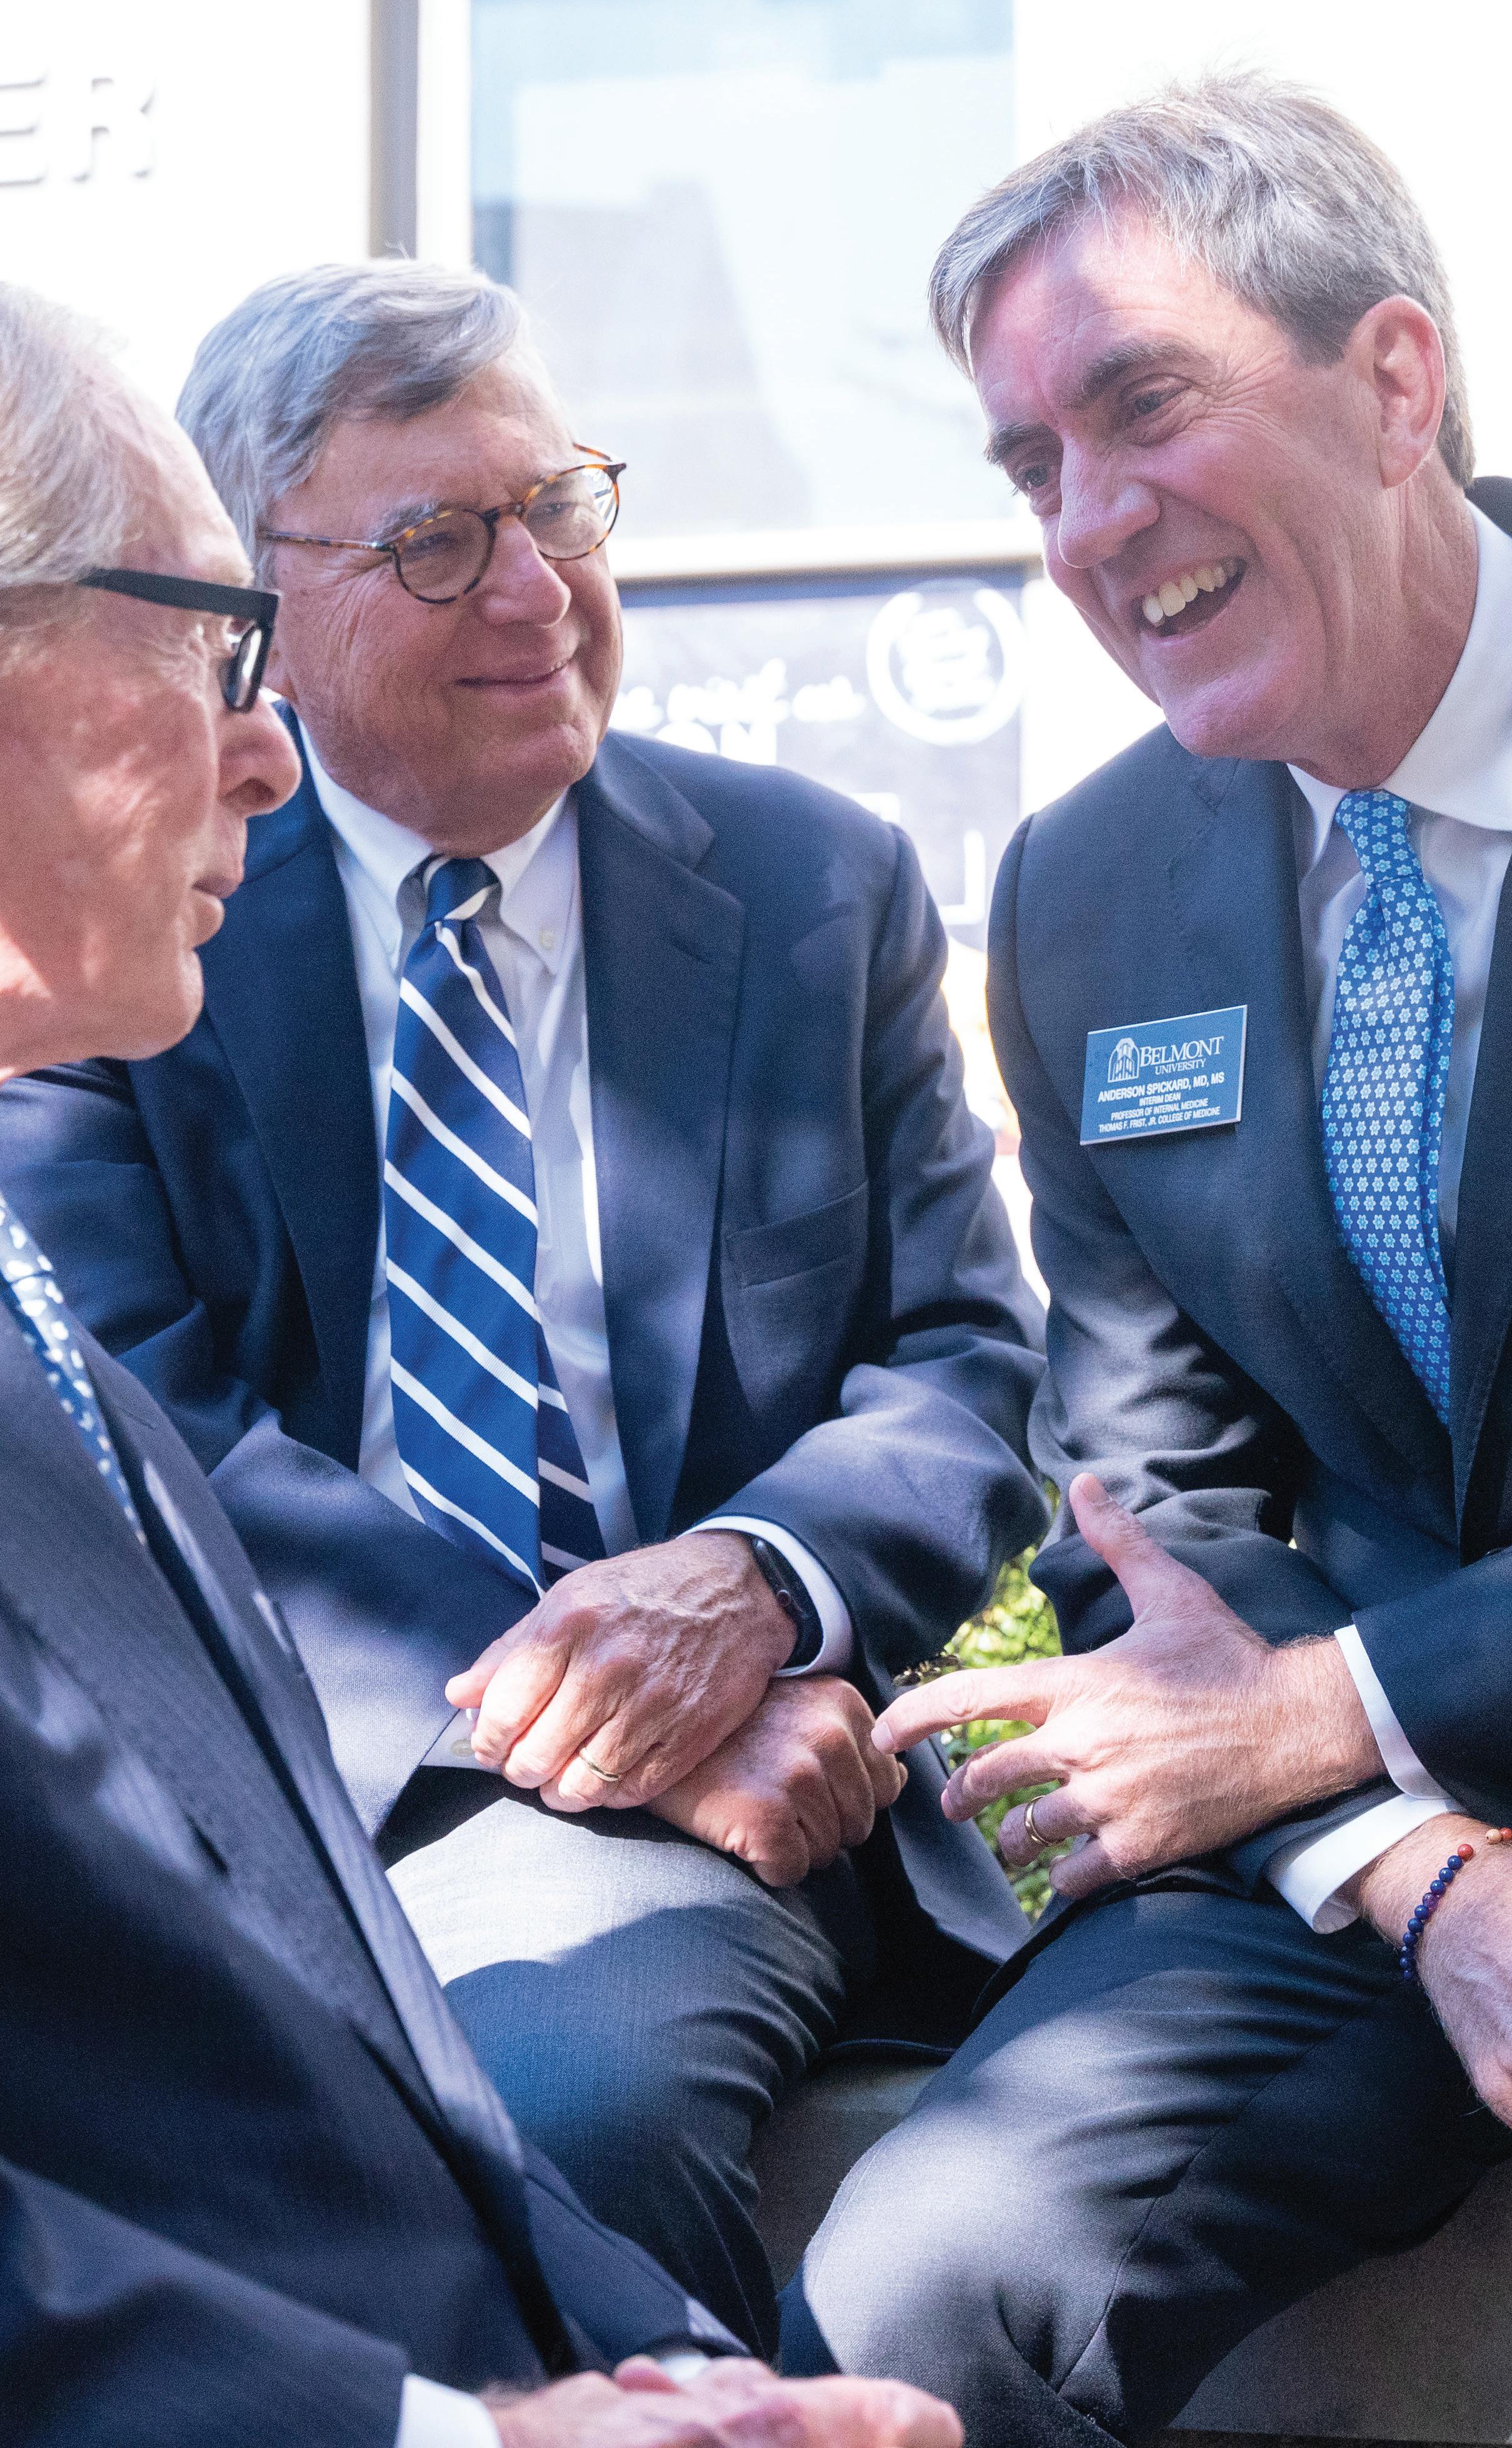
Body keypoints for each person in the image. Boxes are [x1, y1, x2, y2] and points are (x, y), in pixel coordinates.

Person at [787, 73, 1512, 2448]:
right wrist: (1407, 1849)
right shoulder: (1085, 889)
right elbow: (1151, 1506)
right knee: (907, 2296)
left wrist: (1336, 1703)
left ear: (1391, 381)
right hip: (1374, 1857)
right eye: (1031, 463)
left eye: (1139, 407)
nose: (1086, 523)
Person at [0, 259, 1046, 2356]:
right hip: (346, 1770)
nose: (536, 589)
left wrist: (751, 1588)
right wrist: (608, 1710)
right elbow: (140, 1429)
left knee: (588, 2114)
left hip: (781, 1781)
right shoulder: (106, 917)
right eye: (437, 541)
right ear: (254, 600)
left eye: (559, 504)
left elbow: (966, 1358)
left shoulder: (815, 880)